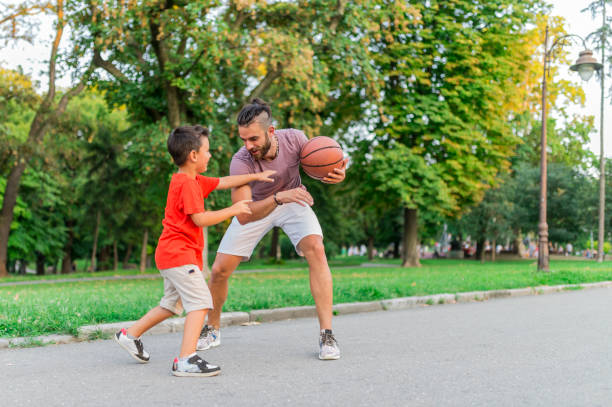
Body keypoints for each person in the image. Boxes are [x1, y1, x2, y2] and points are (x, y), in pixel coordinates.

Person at [114, 125, 276, 377]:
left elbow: (223, 182)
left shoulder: (189, 180)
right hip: (179, 254)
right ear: (193, 156)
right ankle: (186, 359)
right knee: (201, 302)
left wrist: (254, 177)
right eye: (207, 151)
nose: (210, 156)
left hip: (169, 254)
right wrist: (234, 210)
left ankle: (129, 335)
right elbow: (200, 219)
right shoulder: (188, 185)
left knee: (170, 305)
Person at [198, 98, 348, 360]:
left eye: (253, 139)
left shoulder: (296, 139)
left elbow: (322, 164)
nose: (248, 146)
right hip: (258, 207)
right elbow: (243, 215)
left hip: (293, 200)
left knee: (316, 248)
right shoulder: (241, 161)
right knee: (220, 270)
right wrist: (279, 197)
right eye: (244, 139)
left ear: (271, 131)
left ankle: (327, 334)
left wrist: (337, 174)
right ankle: (212, 328)